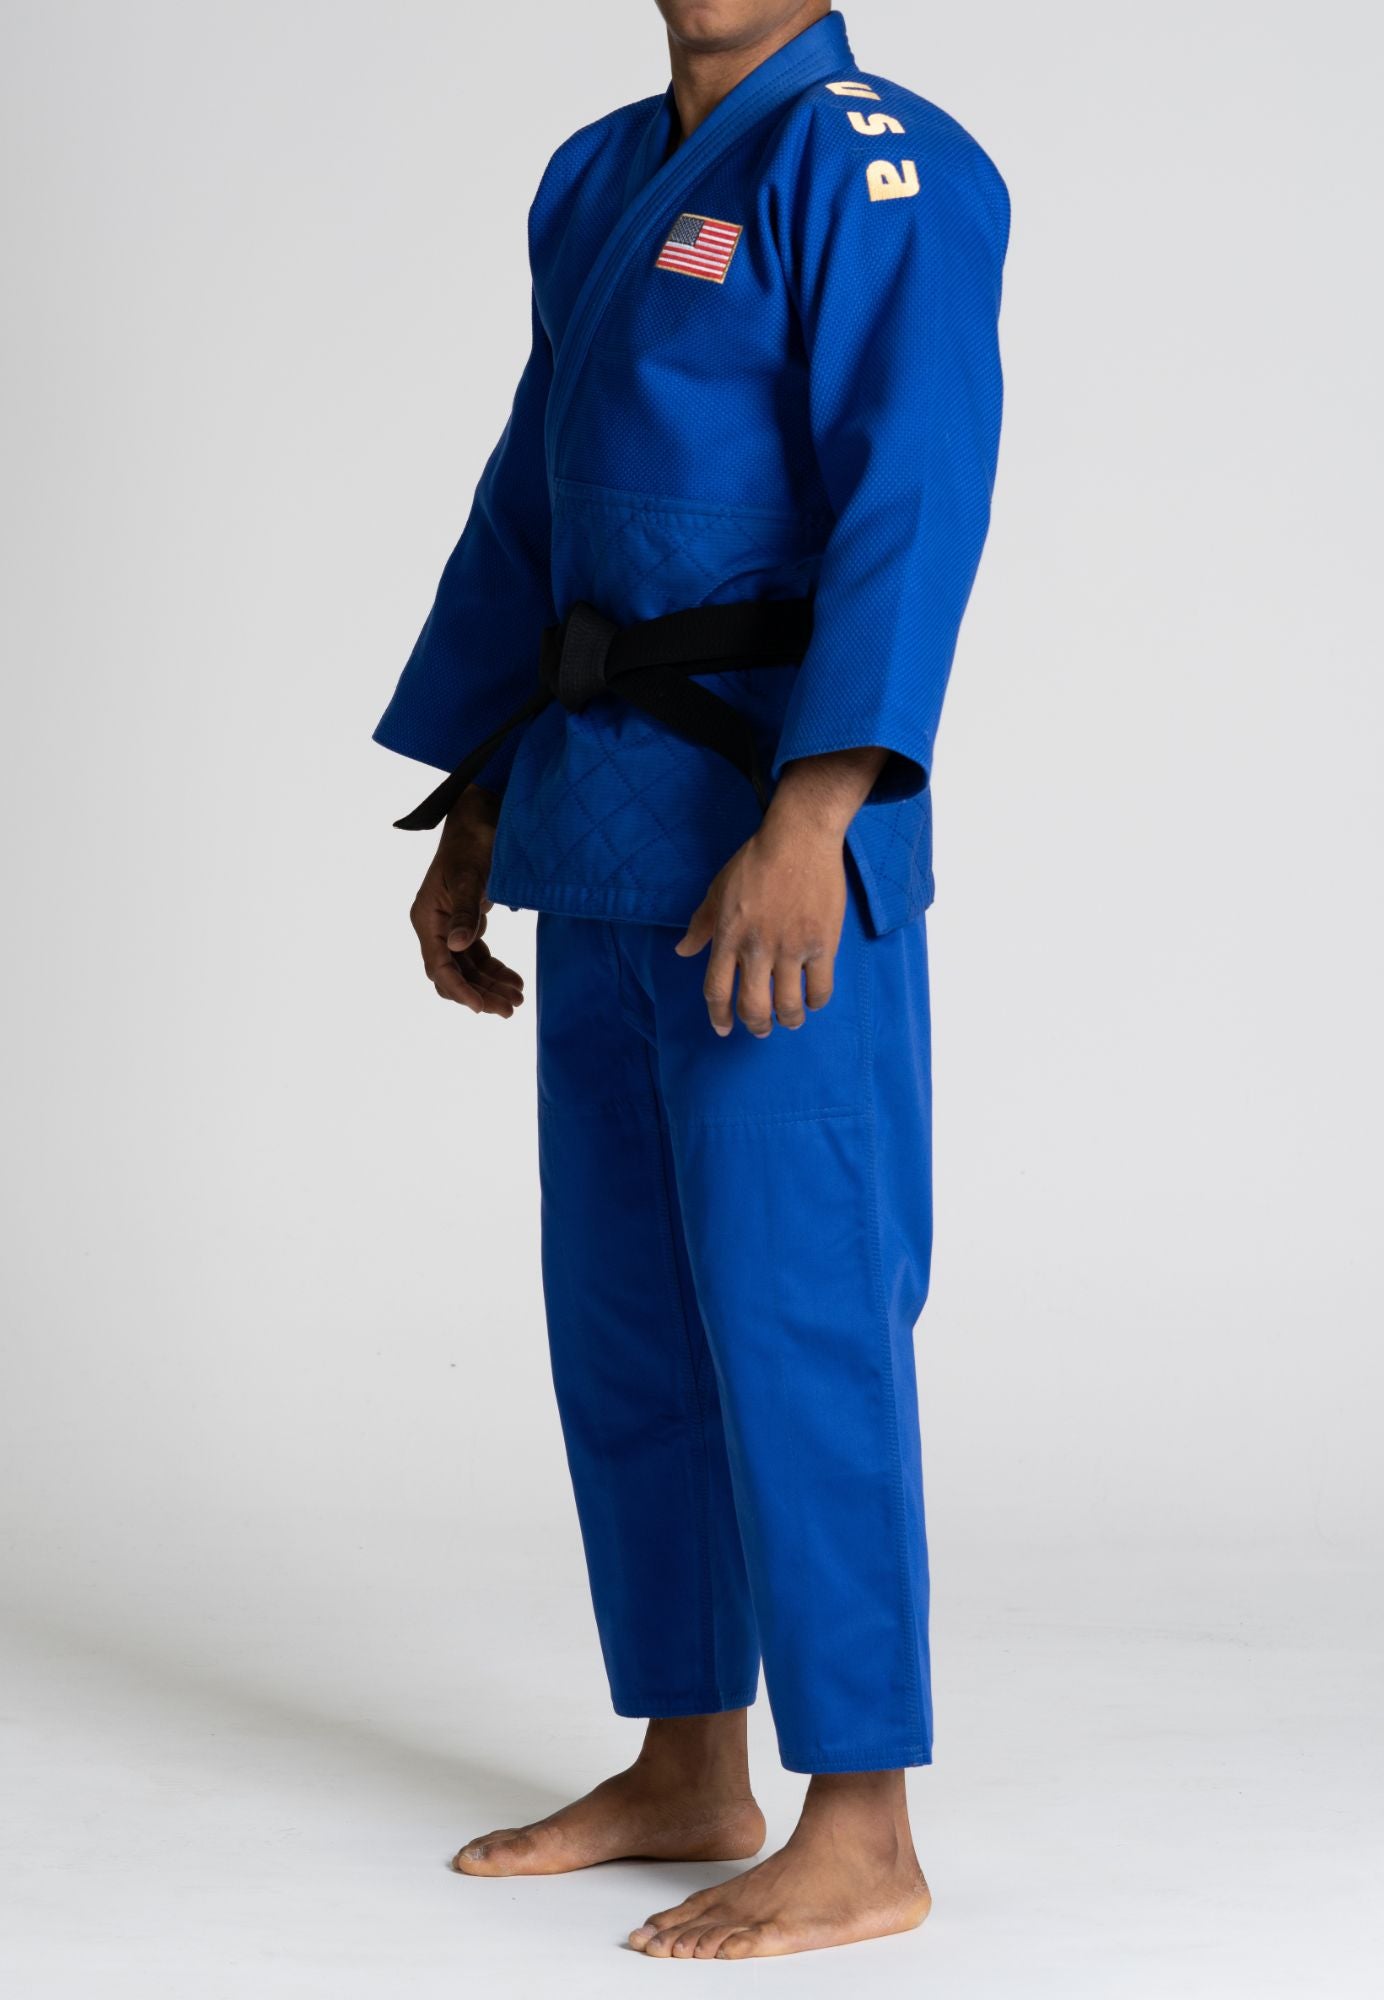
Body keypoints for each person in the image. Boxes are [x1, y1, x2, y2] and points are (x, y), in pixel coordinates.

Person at [374, 0, 1008, 1961]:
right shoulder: (593, 175)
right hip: (607, 816)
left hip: (768, 834)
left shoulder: (883, 162)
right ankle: (686, 1756)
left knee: (800, 1310)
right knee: (630, 1320)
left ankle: (868, 1817)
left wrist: (821, 810)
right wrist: (479, 796)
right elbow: (531, 506)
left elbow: (919, 490)